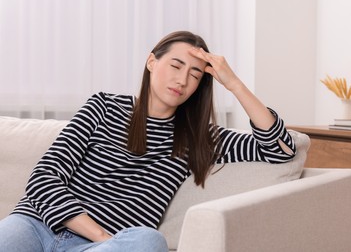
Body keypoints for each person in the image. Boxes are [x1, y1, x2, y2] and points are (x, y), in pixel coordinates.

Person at [0, 31, 296, 251]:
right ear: (152, 62)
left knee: (149, 241)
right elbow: (43, 178)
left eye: (195, 74)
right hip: (35, 226)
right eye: (175, 65)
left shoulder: (199, 137)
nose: (182, 80)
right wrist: (102, 237)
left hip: (104, 248)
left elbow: (280, 150)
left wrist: (234, 84)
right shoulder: (104, 106)